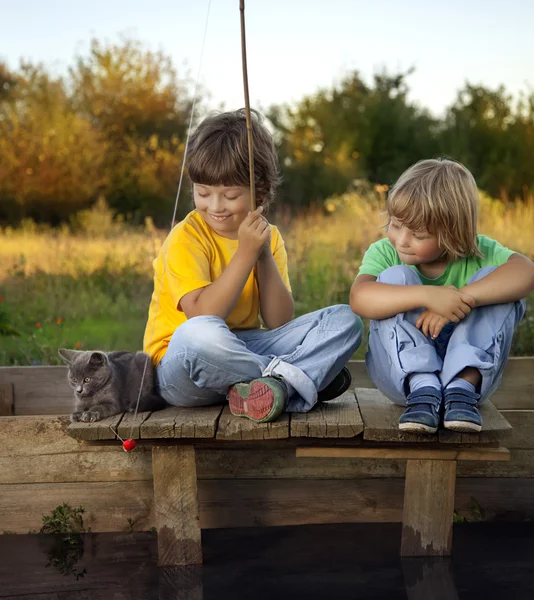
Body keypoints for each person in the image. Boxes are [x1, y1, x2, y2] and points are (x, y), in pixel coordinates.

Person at [144, 109, 363, 423]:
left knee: (345, 320)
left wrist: (261, 255)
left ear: (259, 192)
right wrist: (244, 254)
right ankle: (299, 379)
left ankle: (275, 387)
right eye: (203, 192)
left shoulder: (267, 237)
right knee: (199, 334)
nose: (215, 206)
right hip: (183, 368)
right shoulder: (186, 236)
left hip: (243, 349)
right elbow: (203, 315)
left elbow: (279, 320)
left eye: (230, 195)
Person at [350, 158, 534, 434]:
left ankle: (461, 384)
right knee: (393, 279)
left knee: (500, 286)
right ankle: (424, 385)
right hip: (403, 381)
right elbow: (359, 297)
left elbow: (526, 272)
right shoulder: (386, 254)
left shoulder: (479, 253)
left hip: (470, 389)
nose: (401, 240)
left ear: (453, 233)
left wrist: (463, 298)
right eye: (396, 225)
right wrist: (428, 296)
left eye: (418, 234)